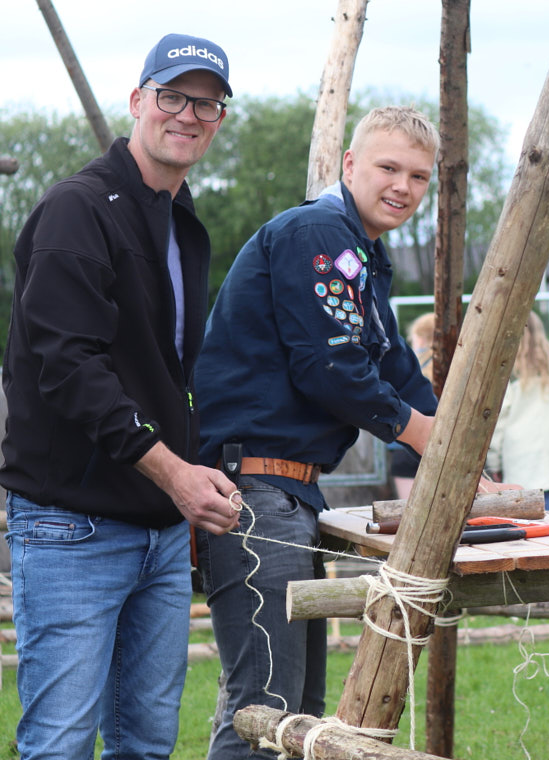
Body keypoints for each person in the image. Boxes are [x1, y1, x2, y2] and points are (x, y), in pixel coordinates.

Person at [193, 105, 507, 759]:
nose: (403, 187)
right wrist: (421, 435)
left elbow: (393, 366)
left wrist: (465, 462)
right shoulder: (319, 234)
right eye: (389, 168)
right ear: (350, 164)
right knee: (264, 712)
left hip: (289, 492)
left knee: (296, 714)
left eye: (418, 177)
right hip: (254, 493)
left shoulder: (361, 254)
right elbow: (330, 367)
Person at [1, 33, 240, 760]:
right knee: (61, 744)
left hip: (159, 529)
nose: (188, 115)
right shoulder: (77, 209)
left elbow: (168, 377)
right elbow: (69, 367)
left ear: (219, 120)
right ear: (138, 101)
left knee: (144, 743)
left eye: (207, 104)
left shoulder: (181, 221)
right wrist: (175, 473)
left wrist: (191, 472)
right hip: (71, 525)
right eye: (173, 96)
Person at [486, 311, 549, 510]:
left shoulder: (509, 377)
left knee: (520, 526)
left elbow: (498, 426)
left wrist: (494, 464)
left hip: (518, 473)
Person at [390, 311, 436, 499]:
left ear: (422, 339)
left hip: (406, 448)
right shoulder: (458, 367)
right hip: (443, 446)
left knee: (407, 509)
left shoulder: (410, 370)